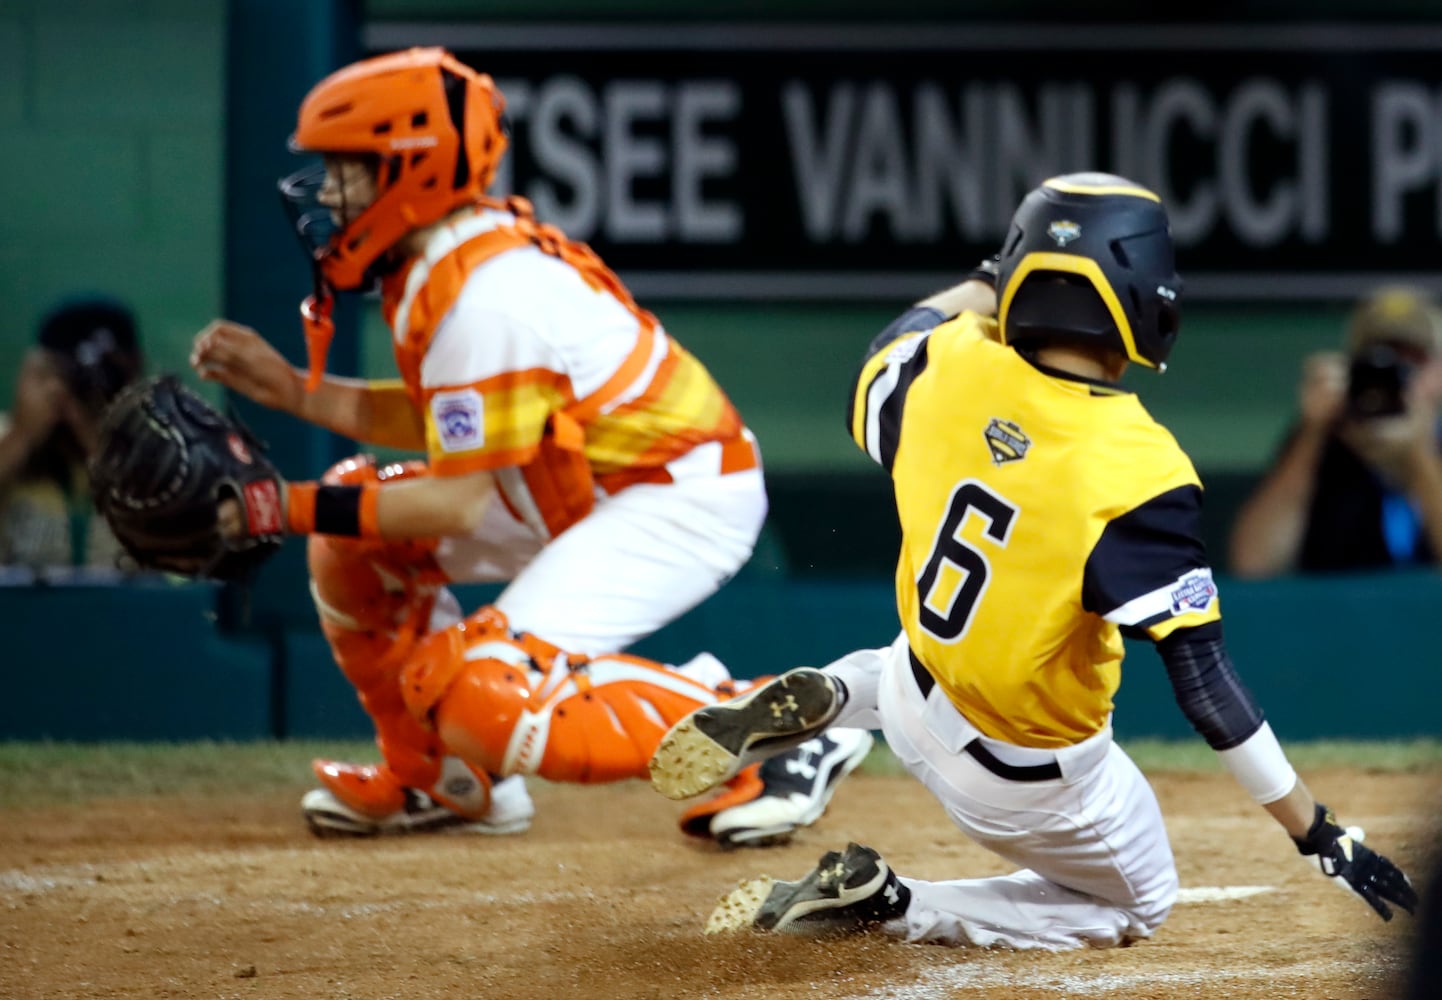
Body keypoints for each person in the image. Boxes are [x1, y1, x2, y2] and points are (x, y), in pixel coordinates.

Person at [649, 173, 1419, 946]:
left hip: (916, 690)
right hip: (1024, 779)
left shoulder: (949, 361)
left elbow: (895, 341)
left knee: (919, 661)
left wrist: (994, 279)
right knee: (1138, 905)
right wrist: (1318, 833)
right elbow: (1207, 690)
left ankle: (841, 695)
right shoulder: (1140, 470)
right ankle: (891, 902)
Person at [189, 46, 870, 845]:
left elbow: (454, 497)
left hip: (676, 495)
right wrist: (291, 389)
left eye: (349, 169)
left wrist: (277, 506)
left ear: (413, 169)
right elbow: (457, 426)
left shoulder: (487, 297)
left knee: (485, 693)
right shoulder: (444, 262)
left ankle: (786, 735)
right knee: (354, 542)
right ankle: (443, 779)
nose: (329, 192)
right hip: (579, 478)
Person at [1229, 286, 1442, 577]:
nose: (1393, 375)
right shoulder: (1322, 443)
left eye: (1413, 360)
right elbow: (1254, 564)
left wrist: (1418, 457)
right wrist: (1312, 432)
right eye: (1380, 358)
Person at [0, 296, 143, 572]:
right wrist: (23, 435)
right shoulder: (8, 439)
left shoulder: (160, 454)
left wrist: (103, 443)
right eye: (72, 372)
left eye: (107, 374)